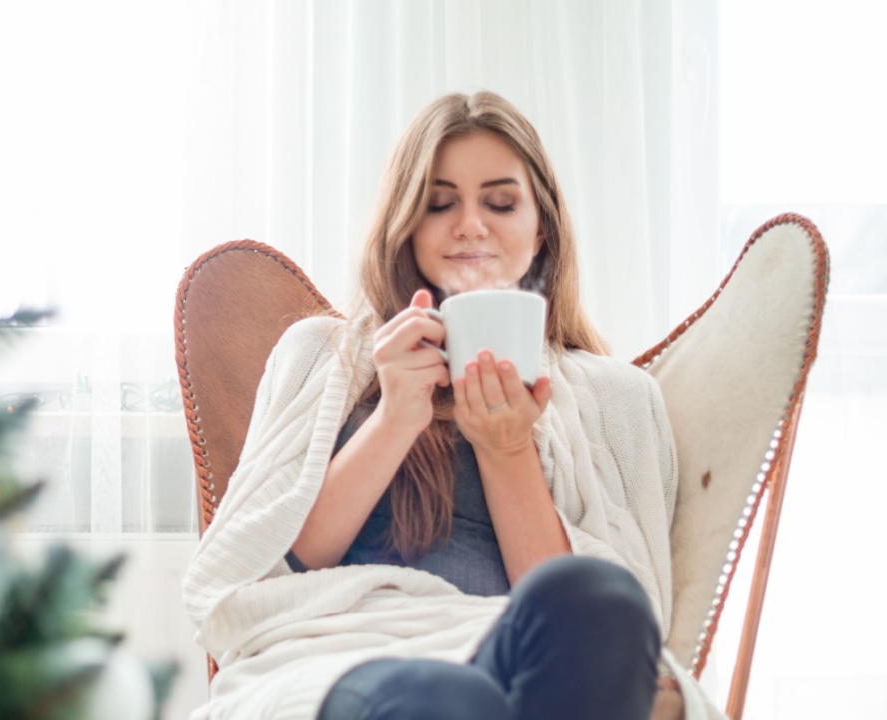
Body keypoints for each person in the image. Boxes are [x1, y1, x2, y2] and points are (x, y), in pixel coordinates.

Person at [183, 91, 723, 720]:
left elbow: (627, 633)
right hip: (346, 650)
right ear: (407, 224)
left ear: (540, 225)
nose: (470, 225)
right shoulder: (323, 356)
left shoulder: (615, 397)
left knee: (600, 601)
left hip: (523, 657)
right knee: (445, 699)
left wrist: (506, 448)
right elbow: (267, 567)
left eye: (500, 203)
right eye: (440, 204)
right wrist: (393, 418)